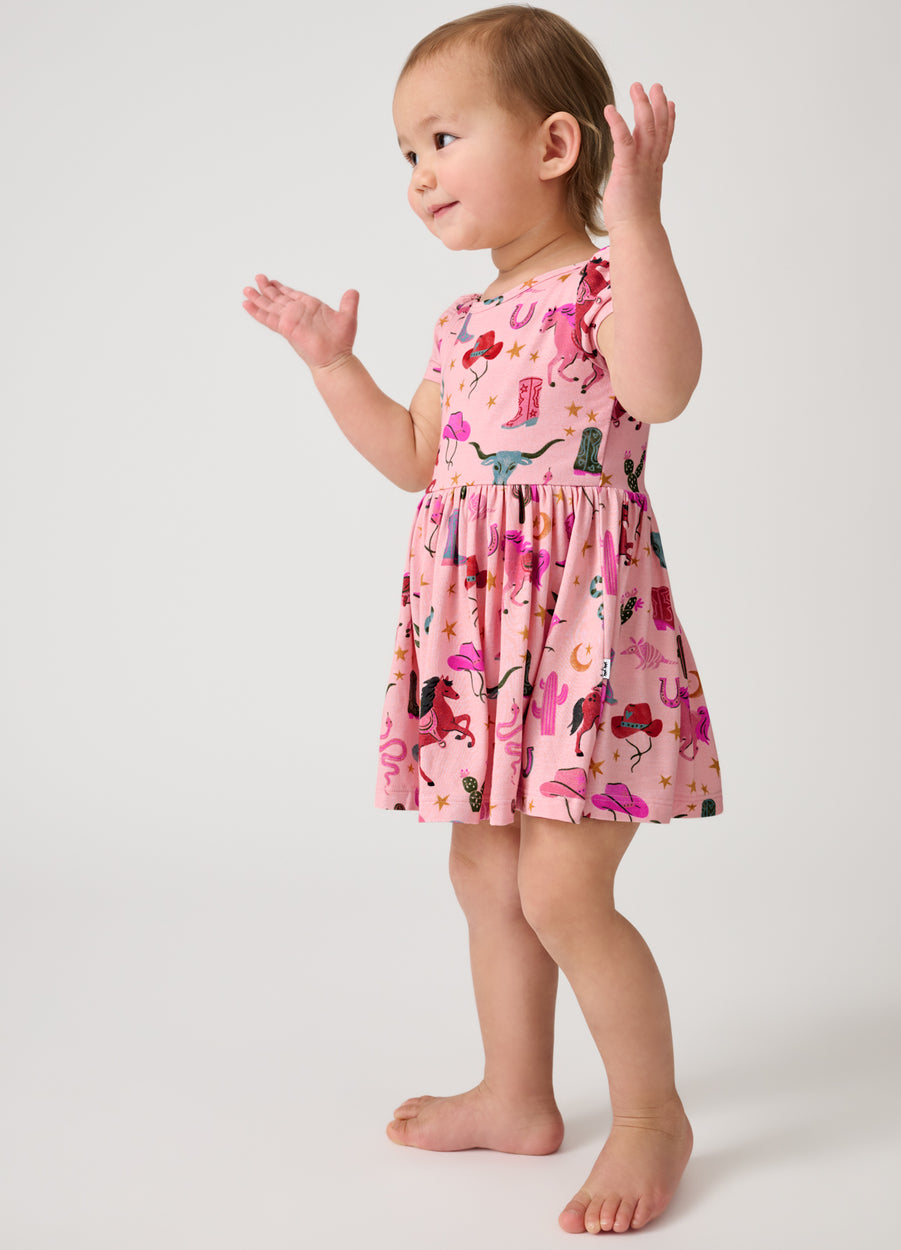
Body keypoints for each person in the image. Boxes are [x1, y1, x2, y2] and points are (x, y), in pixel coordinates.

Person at [243, 4, 723, 1234]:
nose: (418, 177)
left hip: (578, 634)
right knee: (485, 871)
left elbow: (664, 383)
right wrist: (332, 364)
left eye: (442, 140)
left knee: (565, 886)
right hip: (479, 640)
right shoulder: (461, 323)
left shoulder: (611, 280)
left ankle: (650, 1112)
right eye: (406, 154)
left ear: (556, 145)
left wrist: (644, 221)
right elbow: (416, 458)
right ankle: (517, 1095)